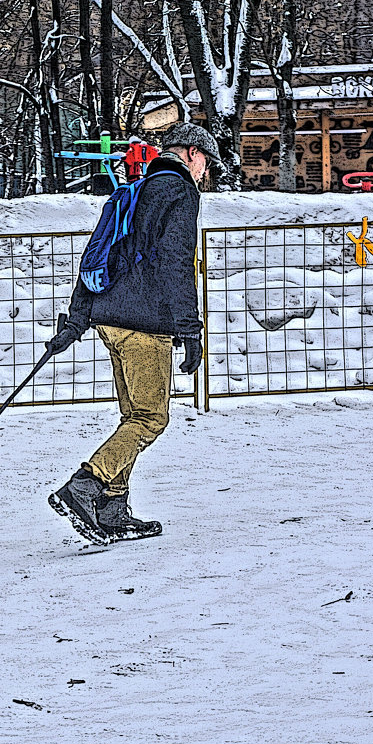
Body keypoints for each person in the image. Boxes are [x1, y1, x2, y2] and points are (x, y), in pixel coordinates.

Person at [44, 121, 221, 544]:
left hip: (110, 320)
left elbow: (99, 252)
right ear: (193, 154)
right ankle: (87, 485)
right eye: (206, 166)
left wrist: (77, 318)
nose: (205, 175)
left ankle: (113, 508)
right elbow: (176, 263)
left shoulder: (134, 189)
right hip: (144, 326)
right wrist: (190, 329)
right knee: (151, 417)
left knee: (132, 416)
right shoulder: (180, 191)